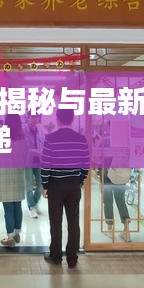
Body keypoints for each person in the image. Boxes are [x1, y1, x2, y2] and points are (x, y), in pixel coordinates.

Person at [41, 109, 90, 268]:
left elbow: (45, 164)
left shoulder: (50, 139)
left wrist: (45, 184)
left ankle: (56, 256)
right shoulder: (81, 139)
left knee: (56, 222)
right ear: (72, 119)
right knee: (74, 222)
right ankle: (72, 258)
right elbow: (86, 164)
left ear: (57, 119)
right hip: (74, 185)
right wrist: (80, 179)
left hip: (56, 185)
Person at [0, 113, 27, 248]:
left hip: (4, 176)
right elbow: (26, 158)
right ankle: (17, 233)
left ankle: (10, 237)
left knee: (8, 209)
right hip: (18, 176)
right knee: (18, 206)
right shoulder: (23, 140)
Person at [23, 113, 45, 218]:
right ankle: (31, 207)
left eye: (36, 117)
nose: (35, 119)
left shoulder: (40, 131)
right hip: (27, 162)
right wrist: (33, 151)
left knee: (41, 184)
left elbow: (43, 144)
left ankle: (34, 203)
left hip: (39, 161)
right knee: (29, 185)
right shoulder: (23, 131)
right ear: (28, 118)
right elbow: (22, 146)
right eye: (32, 117)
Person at [103, 167, 132, 242]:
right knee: (121, 201)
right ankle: (126, 230)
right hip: (122, 176)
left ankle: (110, 228)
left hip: (110, 175)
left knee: (108, 201)